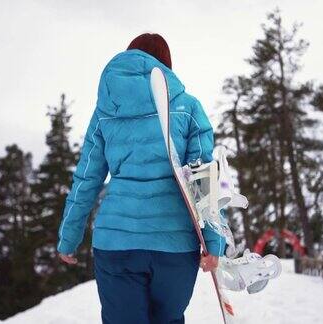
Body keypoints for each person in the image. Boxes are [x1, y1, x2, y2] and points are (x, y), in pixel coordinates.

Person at [56, 33, 225, 324]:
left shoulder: (105, 112)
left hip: (116, 240)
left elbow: (87, 178)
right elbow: (202, 175)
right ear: (166, 65)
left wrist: (69, 236)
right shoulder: (188, 106)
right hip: (174, 245)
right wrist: (213, 241)